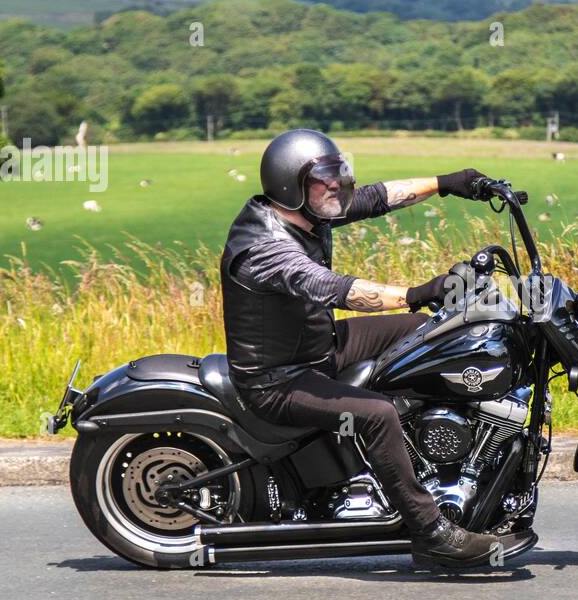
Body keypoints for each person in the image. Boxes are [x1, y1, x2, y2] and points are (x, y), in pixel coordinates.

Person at [219, 128, 523, 569]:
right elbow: (334, 288)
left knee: (427, 335)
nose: (336, 185)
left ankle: (433, 452)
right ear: (291, 184)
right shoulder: (266, 247)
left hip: (318, 347)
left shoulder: (306, 212)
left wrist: (450, 183)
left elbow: (380, 196)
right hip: (277, 379)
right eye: (323, 179)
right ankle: (432, 532)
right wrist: (421, 290)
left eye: (337, 174)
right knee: (377, 414)